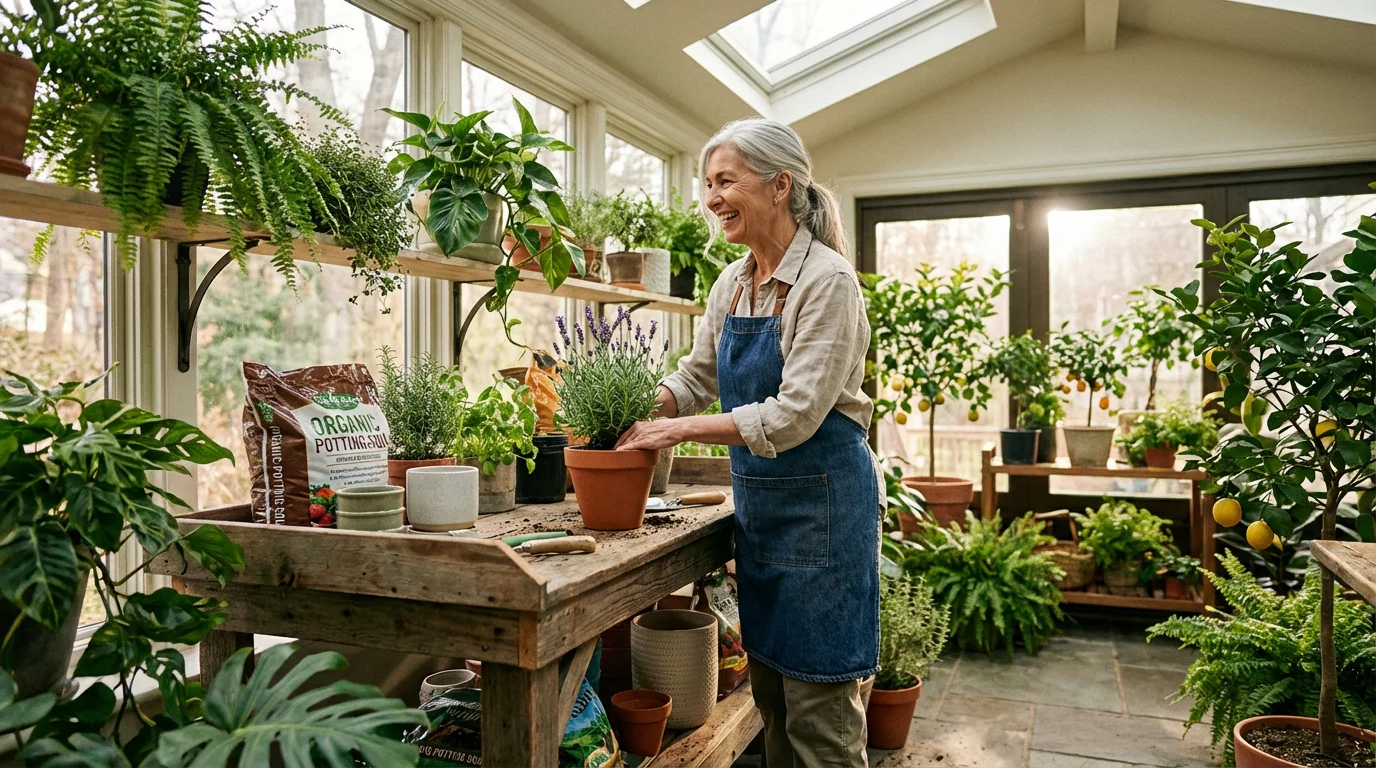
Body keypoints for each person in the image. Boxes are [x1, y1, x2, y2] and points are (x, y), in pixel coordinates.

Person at [615, 116, 881, 767]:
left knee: (820, 713)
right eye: (708, 184)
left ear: (779, 185)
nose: (712, 199)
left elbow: (794, 415)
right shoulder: (732, 283)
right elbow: (697, 376)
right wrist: (635, 409)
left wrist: (676, 429)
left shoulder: (826, 283)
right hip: (763, 518)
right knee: (772, 703)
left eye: (726, 180)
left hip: (825, 515)